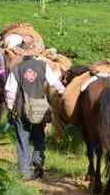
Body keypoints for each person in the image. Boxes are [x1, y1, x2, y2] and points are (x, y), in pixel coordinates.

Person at [4, 40, 65, 181]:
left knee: (22, 138)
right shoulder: (43, 66)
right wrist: (62, 91)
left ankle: (24, 171)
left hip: (21, 107)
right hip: (39, 107)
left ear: (22, 53)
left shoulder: (17, 68)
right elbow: (56, 84)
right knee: (39, 136)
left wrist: (10, 108)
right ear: (35, 53)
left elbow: (10, 92)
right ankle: (38, 160)